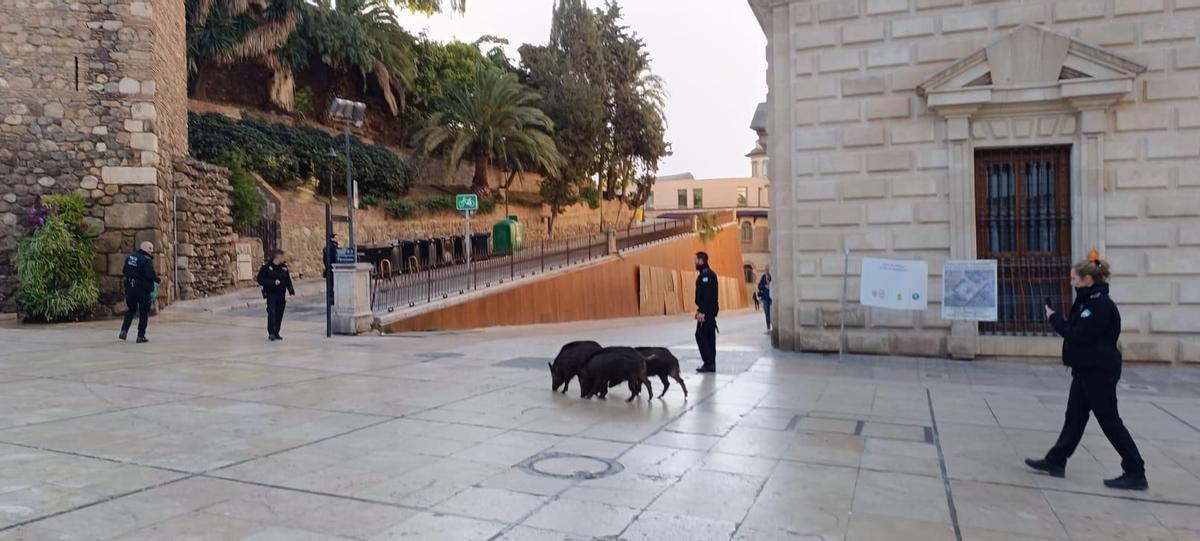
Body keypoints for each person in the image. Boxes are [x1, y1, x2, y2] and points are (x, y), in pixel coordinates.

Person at [1025, 252, 1147, 490]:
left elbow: (1078, 335)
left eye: (1074, 279)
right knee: (1075, 417)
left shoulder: (1099, 306)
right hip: (1086, 369)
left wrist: (1054, 319)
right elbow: (1076, 328)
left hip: (1098, 371)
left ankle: (1135, 471)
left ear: (1088, 280)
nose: (1071, 283)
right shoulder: (1088, 302)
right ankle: (1056, 460)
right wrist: (1059, 319)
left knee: (1110, 420)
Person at [119, 241, 160, 343]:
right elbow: (149, 274)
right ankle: (140, 336)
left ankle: (124, 330)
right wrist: (157, 279)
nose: (152, 251)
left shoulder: (130, 257)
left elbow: (124, 271)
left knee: (131, 309)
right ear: (146, 249)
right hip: (142, 289)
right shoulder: (146, 260)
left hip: (130, 288)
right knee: (143, 312)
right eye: (151, 249)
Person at [257, 250, 295, 341]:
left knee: (279, 313)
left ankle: (277, 332)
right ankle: (271, 333)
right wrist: (272, 282)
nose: (284, 259)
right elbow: (260, 280)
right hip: (271, 294)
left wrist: (291, 292)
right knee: (272, 312)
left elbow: (288, 281)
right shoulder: (266, 267)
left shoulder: (284, 268)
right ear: (277, 258)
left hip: (281, 294)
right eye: (283, 257)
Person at [694, 251, 719, 374]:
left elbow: (707, 296)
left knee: (700, 335)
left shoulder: (706, 276)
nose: (695, 262)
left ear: (701, 261)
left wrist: (702, 312)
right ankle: (711, 363)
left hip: (707, 312)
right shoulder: (708, 274)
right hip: (709, 312)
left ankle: (708, 363)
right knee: (709, 337)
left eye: (696, 260)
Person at [758, 267, 773, 334]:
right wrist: (764, 286)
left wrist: (770, 286)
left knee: (772, 313)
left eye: (767, 270)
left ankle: (774, 327)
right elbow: (759, 286)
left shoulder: (772, 276)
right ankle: (768, 328)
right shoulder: (763, 277)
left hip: (771, 297)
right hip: (765, 298)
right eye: (766, 270)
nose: (766, 271)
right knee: (767, 313)